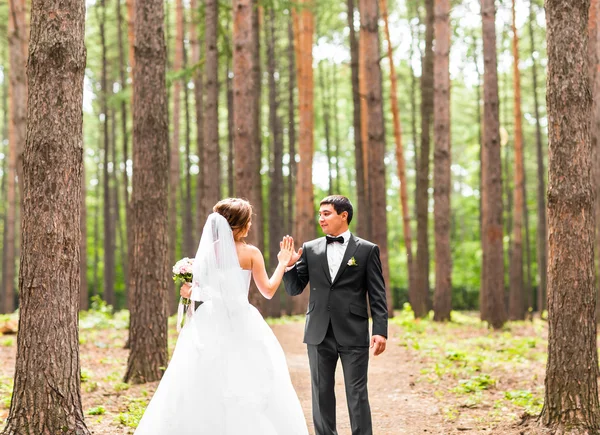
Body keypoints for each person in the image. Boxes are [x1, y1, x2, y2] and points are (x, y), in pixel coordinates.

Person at [134, 198, 309, 435]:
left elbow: (206, 291)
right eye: (248, 221)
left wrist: (190, 292)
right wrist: (282, 263)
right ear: (242, 225)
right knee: (247, 380)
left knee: (203, 377)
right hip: (242, 322)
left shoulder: (207, 253)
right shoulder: (250, 253)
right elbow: (268, 291)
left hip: (209, 320)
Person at [283, 195, 388, 435]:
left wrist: (380, 330)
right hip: (318, 332)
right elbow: (294, 289)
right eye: (320, 214)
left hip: (353, 330)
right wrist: (289, 266)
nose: (321, 218)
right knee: (321, 393)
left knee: (357, 392)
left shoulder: (367, 250)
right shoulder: (309, 249)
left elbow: (377, 294)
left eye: (327, 213)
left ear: (344, 215)